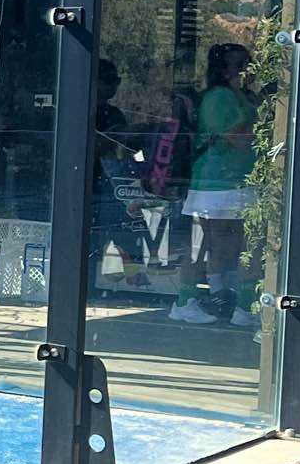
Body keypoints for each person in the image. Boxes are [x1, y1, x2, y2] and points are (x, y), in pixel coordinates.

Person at [170, 41, 256, 326]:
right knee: (233, 244)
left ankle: (225, 298)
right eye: (241, 65)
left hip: (230, 181)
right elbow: (238, 139)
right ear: (225, 70)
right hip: (219, 182)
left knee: (227, 244)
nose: (248, 70)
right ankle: (194, 302)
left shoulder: (237, 96)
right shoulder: (220, 97)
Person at [93, 59, 152, 293]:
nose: (114, 86)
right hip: (92, 181)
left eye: (116, 80)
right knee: (103, 231)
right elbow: (97, 146)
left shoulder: (113, 113)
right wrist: (118, 137)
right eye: (108, 80)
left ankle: (130, 272)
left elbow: (125, 147)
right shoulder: (82, 109)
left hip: (113, 182)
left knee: (124, 225)